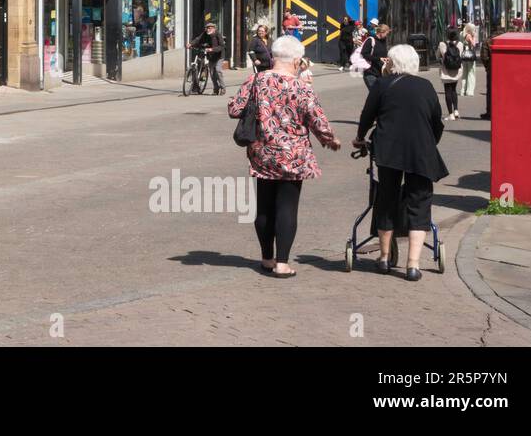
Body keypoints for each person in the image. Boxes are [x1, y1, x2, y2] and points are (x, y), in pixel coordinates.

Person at [228, 35, 340, 278]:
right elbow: (317, 120)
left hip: (262, 151)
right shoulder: (302, 87)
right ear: (297, 60)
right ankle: (282, 263)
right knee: (287, 207)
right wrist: (330, 140)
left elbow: (234, 108)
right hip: (293, 154)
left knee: (264, 206)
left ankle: (267, 258)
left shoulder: (256, 79)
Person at [352, 44, 448, 281]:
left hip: (388, 151)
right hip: (420, 152)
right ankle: (413, 265)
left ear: (393, 63)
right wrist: (429, 142)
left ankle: (384, 258)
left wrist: (360, 137)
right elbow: (436, 122)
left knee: (386, 198)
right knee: (419, 201)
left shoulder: (382, 85)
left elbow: (367, 114)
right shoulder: (426, 86)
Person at [187, 22, 225, 94]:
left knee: (218, 70)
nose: (208, 29)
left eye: (209, 28)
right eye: (207, 28)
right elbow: (198, 39)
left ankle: (223, 88)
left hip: (219, 56)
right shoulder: (205, 33)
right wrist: (190, 44)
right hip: (211, 56)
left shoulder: (218, 34)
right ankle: (216, 88)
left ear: (214, 29)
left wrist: (212, 49)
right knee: (212, 72)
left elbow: (222, 46)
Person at [436, 27, 464, 120]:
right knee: (454, 90)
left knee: (447, 91)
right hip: (456, 71)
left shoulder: (442, 44)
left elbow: (437, 56)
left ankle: (450, 114)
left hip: (446, 71)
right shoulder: (460, 44)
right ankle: (456, 110)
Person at [360, 23, 390, 90]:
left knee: (380, 95)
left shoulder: (383, 41)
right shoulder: (370, 40)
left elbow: (382, 54)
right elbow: (364, 54)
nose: (387, 36)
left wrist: (386, 58)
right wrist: (379, 59)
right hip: (370, 73)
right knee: (375, 94)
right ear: (381, 32)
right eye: (386, 34)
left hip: (381, 73)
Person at [461, 21, 480, 97]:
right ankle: (470, 91)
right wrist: (474, 37)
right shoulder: (469, 36)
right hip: (470, 56)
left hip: (464, 55)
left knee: (464, 74)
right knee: (471, 73)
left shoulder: (462, 34)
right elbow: (473, 44)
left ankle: (463, 90)